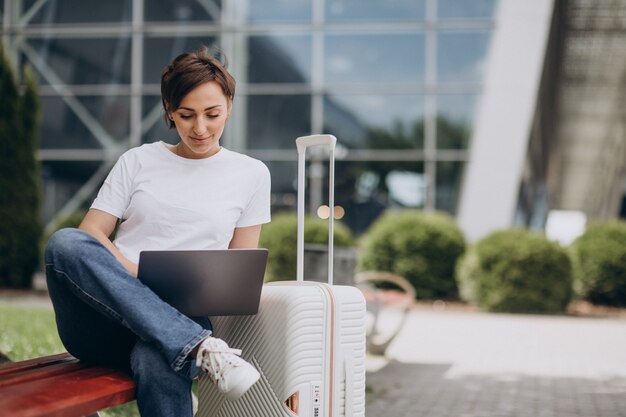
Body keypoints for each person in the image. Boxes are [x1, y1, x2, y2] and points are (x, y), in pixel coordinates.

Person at [44, 46, 271, 417]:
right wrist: (135, 275)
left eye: (212, 114)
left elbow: (238, 269)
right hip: (103, 322)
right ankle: (200, 348)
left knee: (159, 358)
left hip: (180, 316)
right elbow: (91, 234)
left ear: (229, 105)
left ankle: (189, 343)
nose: (200, 128)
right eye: (186, 115)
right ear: (169, 110)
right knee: (65, 243)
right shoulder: (138, 161)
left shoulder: (252, 174)